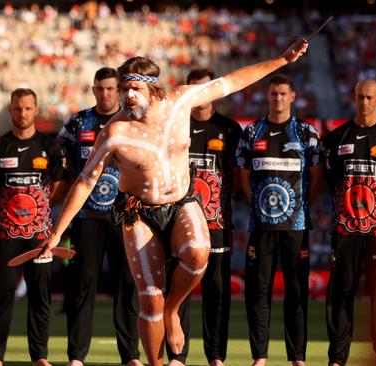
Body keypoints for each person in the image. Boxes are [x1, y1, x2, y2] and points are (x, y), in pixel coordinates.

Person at [39, 40, 309, 366]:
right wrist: (56, 234)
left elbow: (234, 81)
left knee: (197, 253)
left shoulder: (182, 100)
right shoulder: (115, 131)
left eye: (134, 87)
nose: (127, 96)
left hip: (181, 200)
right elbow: (84, 182)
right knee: (150, 298)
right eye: (123, 88)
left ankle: (173, 311)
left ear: (155, 88)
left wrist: (281, 59)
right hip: (139, 211)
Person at [57, 67, 142, 366]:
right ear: (93, 90)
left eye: (111, 89)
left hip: (126, 216)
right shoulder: (77, 122)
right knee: (82, 285)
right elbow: (64, 173)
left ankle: (131, 355)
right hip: (87, 216)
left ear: (118, 91)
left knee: (128, 286)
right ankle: (76, 356)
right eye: (100, 88)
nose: (105, 94)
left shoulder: (134, 120)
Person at [322, 79, 376, 366]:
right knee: (341, 294)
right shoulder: (337, 137)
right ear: (353, 98)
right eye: (360, 97)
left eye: (369, 97)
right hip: (345, 230)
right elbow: (330, 180)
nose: (364, 102)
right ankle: (337, 358)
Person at [235, 75, 321, 366]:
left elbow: (317, 174)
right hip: (261, 227)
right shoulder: (252, 132)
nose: (278, 99)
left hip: (296, 227)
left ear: (293, 96)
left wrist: (302, 207)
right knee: (258, 293)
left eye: (283, 94)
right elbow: (243, 173)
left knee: (297, 292)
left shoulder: (305, 132)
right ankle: (260, 356)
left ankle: (297, 357)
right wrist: (254, 203)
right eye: (273, 94)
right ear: (267, 96)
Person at [0, 88, 65, 366]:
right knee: (1, 294)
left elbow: (59, 185)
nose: (23, 113)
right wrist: (8, 212)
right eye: (18, 108)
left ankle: (40, 356)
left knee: (40, 295)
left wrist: (36, 213)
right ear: (10, 110)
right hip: (7, 235)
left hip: (40, 236)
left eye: (28, 108)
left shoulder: (49, 147)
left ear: (36, 111)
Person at [165, 68, 242, 366]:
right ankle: (177, 356)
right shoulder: (175, 126)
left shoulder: (230, 129)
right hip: (179, 223)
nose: (199, 96)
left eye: (205, 89)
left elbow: (237, 178)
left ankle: (216, 356)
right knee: (178, 291)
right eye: (194, 89)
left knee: (217, 291)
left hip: (217, 223)